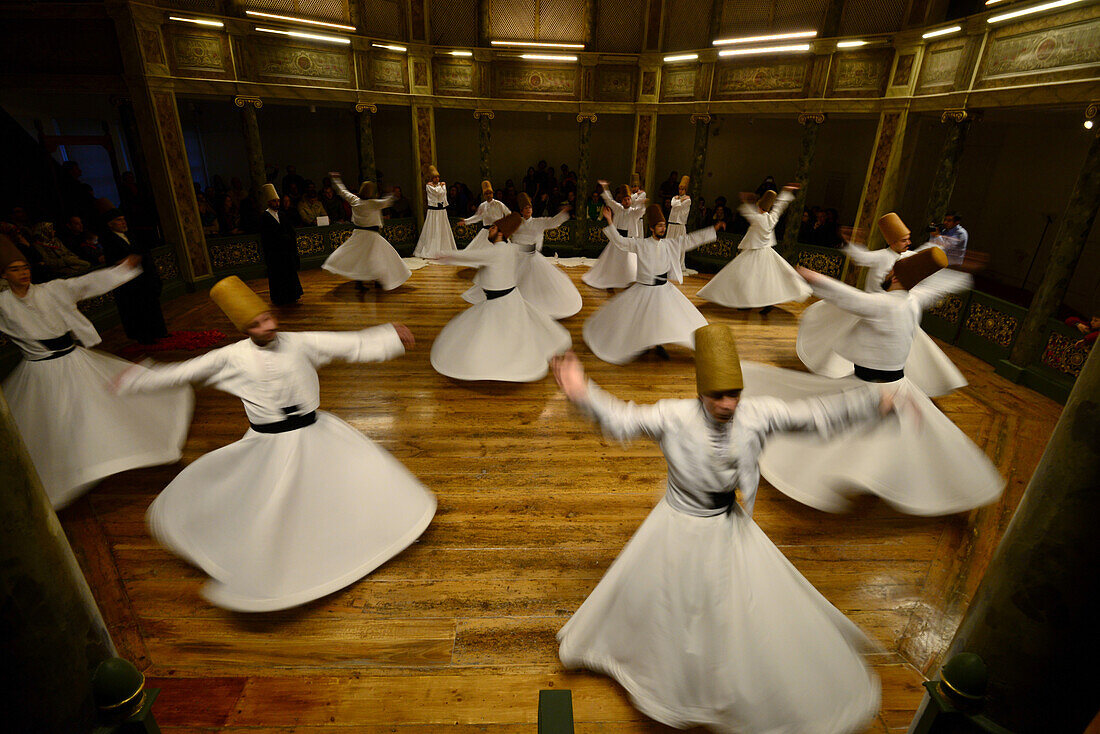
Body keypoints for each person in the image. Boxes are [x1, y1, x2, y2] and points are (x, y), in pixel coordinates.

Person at [551, 325, 888, 733]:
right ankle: (671, 682)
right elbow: (623, 419)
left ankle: (719, 685)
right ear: (700, 392)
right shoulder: (673, 416)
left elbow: (814, 414)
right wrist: (581, 390)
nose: (728, 405)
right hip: (677, 526)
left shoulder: (758, 414)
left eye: (734, 394)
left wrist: (872, 401)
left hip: (727, 526)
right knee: (671, 605)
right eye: (717, 396)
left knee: (728, 608)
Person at [113, 276, 435, 611]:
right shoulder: (229, 358)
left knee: (342, 484)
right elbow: (183, 372)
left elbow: (345, 344)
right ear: (246, 329)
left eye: (268, 318)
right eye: (258, 323)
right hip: (269, 444)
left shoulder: (298, 342)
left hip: (316, 433)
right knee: (274, 500)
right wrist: (138, 380)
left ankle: (351, 536)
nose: (268, 326)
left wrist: (386, 335)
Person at [747, 248, 1005, 516]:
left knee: (840, 431)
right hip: (898, 388)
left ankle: (845, 475)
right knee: (887, 437)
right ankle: (872, 475)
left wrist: (814, 278)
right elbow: (934, 290)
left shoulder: (884, 304)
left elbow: (849, 298)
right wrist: (960, 274)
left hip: (871, 388)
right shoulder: (913, 300)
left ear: (894, 276)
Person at [0, 236, 192, 508]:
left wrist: (122, 270)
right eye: (16, 269)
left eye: (26, 267)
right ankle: (70, 467)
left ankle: (102, 457)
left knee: (94, 410)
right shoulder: (3, 305)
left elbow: (86, 284)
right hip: (39, 370)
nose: (23, 273)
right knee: (54, 420)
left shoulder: (52, 290)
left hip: (72, 360)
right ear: (4, 275)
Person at [797, 213, 966, 397]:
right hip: (873, 308)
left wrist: (940, 246)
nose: (907, 243)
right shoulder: (882, 257)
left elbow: (926, 263)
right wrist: (851, 244)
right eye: (903, 240)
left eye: (908, 239)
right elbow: (860, 261)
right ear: (892, 242)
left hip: (886, 311)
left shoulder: (909, 261)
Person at [430, 213, 571, 382]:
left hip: (501, 302)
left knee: (496, 334)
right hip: (511, 298)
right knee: (511, 334)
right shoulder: (512, 248)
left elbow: (467, 256)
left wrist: (443, 254)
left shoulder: (495, 252)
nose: (490, 229)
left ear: (501, 233)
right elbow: (525, 249)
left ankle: (500, 365)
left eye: (494, 227)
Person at [583, 205, 723, 364]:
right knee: (642, 317)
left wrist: (713, 229)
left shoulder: (671, 244)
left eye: (664, 225)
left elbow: (691, 239)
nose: (663, 229)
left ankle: (658, 343)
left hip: (663, 289)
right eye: (660, 226)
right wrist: (609, 220)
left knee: (663, 317)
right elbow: (620, 242)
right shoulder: (641, 244)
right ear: (651, 228)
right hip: (644, 288)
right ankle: (643, 342)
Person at [696, 186, 812, 314]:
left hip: (754, 253)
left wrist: (746, 201)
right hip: (766, 253)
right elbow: (780, 206)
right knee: (764, 280)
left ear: (759, 205)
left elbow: (748, 212)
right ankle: (763, 303)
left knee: (747, 278)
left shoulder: (758, 218)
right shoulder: (772, 217)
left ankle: (749, 303)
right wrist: (786, 192)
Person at [321, 174, 409, 291]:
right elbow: (388, 202)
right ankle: (378, 279)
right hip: (371, 235)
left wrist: (336, 179)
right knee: (378, 257)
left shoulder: (355, 200)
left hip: (358, 234)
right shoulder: (373, 203)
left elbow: (343, 191)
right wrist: (391, 194)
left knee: (361, 258)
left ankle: (362, 282)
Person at [101, 209, 168, 344]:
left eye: (123, 219)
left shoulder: (130, 235)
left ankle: (158, 332)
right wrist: (128, 261)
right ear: (110, 224)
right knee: (136, 310)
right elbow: (114, 260)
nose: (123, 222)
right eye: (119, 220)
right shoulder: (109, 240)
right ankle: (144, 337)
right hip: (129, 284)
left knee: (150, 306)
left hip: (143, 279)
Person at [582, 182, 642, 291]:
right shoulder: (618, 208)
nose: (627, 201)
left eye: (628, 199)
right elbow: (609, 200)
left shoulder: (633, 212)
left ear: (630, 200)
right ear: (622, 200)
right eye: (625, 199)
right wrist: (605, 187)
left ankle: (627, 281)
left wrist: (642, 202)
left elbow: (641, 211)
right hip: (617, 237)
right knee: (612, 261)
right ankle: (610, 280)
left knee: (628, 262)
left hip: (628, 239)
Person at [256, 184, 303, 306]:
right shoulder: (264, 217)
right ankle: (280, 298)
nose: (277, 203)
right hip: (275, 253)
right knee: (278, 276)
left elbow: (290, 230)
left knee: (289, 273)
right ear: (268, 202)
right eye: (274, 201)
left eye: (278, 201)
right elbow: (267, 237)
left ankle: (292, 295)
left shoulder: (282, 215)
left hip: (287, 252)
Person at [413, 165, 458, 258]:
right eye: (435, 177)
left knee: (443, 228)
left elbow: (442, 192)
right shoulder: (429, 186)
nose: (437, 179)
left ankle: (444, 249)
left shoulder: (442, 185)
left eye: (438, 177)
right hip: (433, 211)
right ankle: (432, 249)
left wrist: (440, 186)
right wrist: (439, 187)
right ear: (432, 178)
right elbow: (437, 192)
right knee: (433, 229)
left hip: (441, 211)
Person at [461, 180, 511, 252]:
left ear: (493, 194)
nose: (488, 195)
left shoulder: (499, 204)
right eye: (486, 194)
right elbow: (477, 217)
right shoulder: (482, 205)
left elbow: (508, 214)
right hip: (486, 232)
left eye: (490, 193)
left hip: (497, 231)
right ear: (483, 195)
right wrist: (466, 221)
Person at [667, 175, 694, 275]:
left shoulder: (688, 200)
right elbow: (673, 204)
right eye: (679, 189)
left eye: (682, 189)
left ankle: (677, 265)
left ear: (685, 189)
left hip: (680, 225)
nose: (680, 191)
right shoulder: (676, 197)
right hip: (672, 224)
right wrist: (679, 199)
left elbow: (677, 205)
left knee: (679, 246)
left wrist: (680, 200)